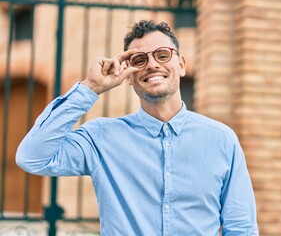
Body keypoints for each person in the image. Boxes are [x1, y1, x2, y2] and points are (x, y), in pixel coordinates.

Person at [16, 20, 259, 235]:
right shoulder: (101, 138)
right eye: (139, 60)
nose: (152, 65)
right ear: (129, 76)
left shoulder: (221, 140)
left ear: (181, 64)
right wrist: (91, 87)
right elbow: (32, 157)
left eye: (162, 55)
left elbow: (241, 228)